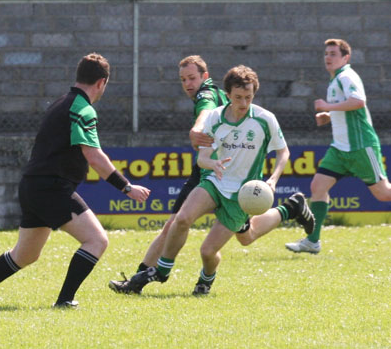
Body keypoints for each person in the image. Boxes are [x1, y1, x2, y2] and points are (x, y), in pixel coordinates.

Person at [0, 53, 150, 308]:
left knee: (25, 255)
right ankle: (64, 301)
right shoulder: (83, 110)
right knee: (97, 241)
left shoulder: (61, 102)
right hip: (51, 188)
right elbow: (94, 156)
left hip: (32, 186)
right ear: (102, 82)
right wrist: (126, 187)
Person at [109, 65, 315, 296]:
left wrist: (273, 180)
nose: (244, 103)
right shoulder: (216, 118)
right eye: (238, 97)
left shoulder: (265, 120)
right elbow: (202, 158)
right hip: (214, 181)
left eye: (248, 97)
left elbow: (283, 152)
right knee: (182, 219)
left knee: (208, 251)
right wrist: (212, 164)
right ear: (227, 95)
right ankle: (162, 271)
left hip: (242, 195)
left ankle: (205, 281)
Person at [110, 55, 229, 284]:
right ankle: (138, 278)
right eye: (183, 79)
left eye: (192, 78)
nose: (187, 84)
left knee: (246, 234)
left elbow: (206, 111)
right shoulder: (218, 93)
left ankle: (289, 210)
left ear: (205, 77)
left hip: (218, 171)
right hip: (209, 169)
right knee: (173, 225)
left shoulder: (206, 93)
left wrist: (196, 129)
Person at [286, 38, 391, 254]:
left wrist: (327, 106)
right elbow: (348, 108)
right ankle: (312, 241)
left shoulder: (346, 76)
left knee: (383, 194)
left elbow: (358, 101)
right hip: (340, 149)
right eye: (326, 53)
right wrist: (329, 115)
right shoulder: (335, 81)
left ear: (346, 58)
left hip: (360, 146)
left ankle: (312, 241)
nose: (328, 57)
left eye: (333, 54)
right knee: (318, 187)